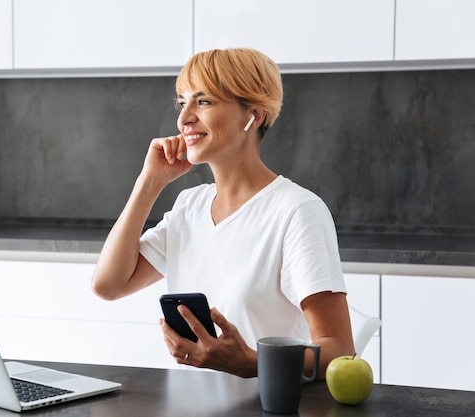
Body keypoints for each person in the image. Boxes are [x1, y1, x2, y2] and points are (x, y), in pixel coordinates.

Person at [91, 48, 354, 379]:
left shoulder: (296, 211)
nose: (184, 118)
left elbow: (339, 351)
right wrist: (149, 183)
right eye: (182, 101)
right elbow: (108, 285)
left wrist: (251, 363)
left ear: (254, 116)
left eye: (203, 102)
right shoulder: (190, 205)